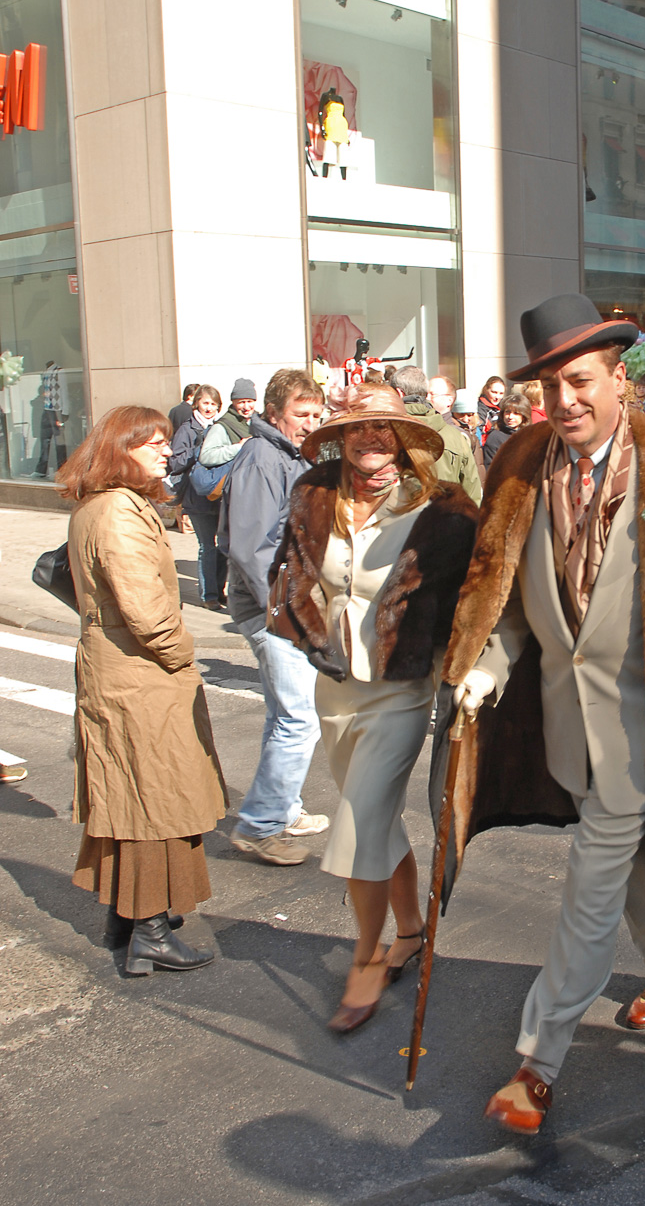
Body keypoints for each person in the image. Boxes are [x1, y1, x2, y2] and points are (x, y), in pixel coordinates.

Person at [435, 293, 645, 1134]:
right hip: (562, 723)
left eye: (579, 381)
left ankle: (537, 1060)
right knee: (623, 852)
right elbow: (509, 599)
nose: (564, 402)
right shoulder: (518, 463)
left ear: (618, 377)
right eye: (548, 387)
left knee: (591, 877)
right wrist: (488, 664)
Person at [274, 383, 479, 1031]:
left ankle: (366, 956)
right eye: (358, 427)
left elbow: (480, 586)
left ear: (401, 435)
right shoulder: (313, 493)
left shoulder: (443, 510)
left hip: (400, 686)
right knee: (379, 819)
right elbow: (292, 568)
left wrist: (470, 664)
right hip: (334, 686)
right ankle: (412, 929)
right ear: (340, 436)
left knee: (358, 818)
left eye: (383, 428)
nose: (370, 438)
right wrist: (302, 624)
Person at [57, 406, 228, 974]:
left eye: (163, 441)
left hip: (122, 671)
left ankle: (128, 918)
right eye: (150, 444)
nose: (164, 450)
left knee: (132, 793)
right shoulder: (118, 514)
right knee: (152, 799)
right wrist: (184, 656)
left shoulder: (103, 506)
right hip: (139, 675)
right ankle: (149, 932)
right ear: (117, 452)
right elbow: (147, 613)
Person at [219, 369, 329, 866]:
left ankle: (282, 808)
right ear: (273, 414)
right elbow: (250, 546)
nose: (311, 424)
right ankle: (261, 824)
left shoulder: (285, 454)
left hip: (282, 602)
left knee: (285, 714)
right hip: (272, 607)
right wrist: (293, 603)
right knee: (299, 717)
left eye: (315, 414)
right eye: (301, 416)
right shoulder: (262, 457)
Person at [168, 384, 227, 610]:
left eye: (213, 404)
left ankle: (220, 591)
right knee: (207, 546)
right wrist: (198, 452)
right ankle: (208, 595)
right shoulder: (187, 429)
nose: (209, 408)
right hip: (196, 497)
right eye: (205, 403)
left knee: (223, 545)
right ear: (197, 404)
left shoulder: (219, 429)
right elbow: (175, 462)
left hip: (217, 495)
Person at [391, 366, 482, 505]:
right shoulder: (457, 437)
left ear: (398, 393)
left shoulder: (385, 434)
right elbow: (473, 495)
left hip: (394, 522)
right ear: (426, 394)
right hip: (447, 520)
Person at [198, 378, 257, 467]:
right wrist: (239, 447)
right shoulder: (222, 426)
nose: (246, 407)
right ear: (233, 402)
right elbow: (205, 456)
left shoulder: (261, 421)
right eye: (241, 402)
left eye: (249, 401)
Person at [483, 391, 531, 468]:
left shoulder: (529, 436)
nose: (510, 417)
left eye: (516, 413)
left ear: (523, 415)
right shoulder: (495, 437)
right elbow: (490, 467)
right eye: (507, 412)